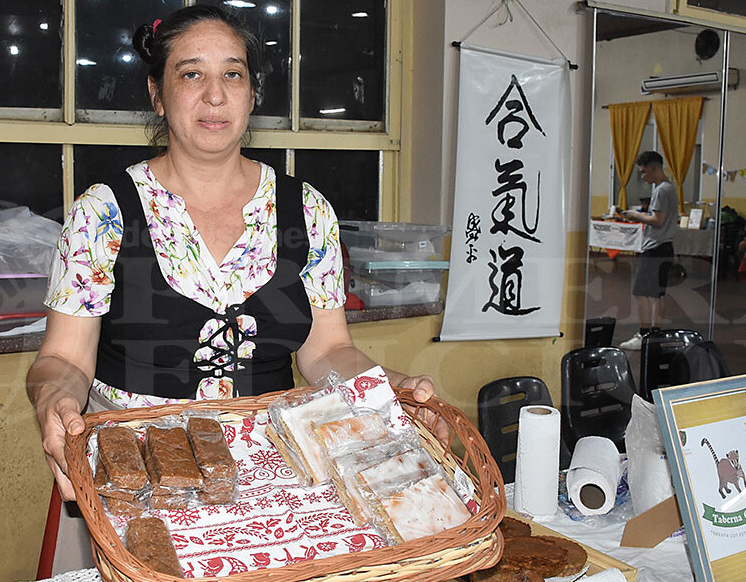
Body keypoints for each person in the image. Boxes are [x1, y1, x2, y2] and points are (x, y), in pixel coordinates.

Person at [25, 5, 438, 573]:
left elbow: (327, 351)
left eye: (233, 74)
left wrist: (390, 390)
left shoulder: (306, 210)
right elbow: (65, 359)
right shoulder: (103, 213)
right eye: (191, 73)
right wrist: (54, 401)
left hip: (272, 478)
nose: (215, 95)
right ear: (157, 94)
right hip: (136, 481)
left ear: (252, 93)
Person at [618, 151, 678, 351]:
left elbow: (658, 221)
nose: (643, 177)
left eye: (644, 172)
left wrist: (636, 215)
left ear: (654, 168)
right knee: (658, 294)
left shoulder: (661, 190)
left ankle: (644, 335)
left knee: (640, 292)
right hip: (665, 247)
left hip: (655, 248)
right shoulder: (670, 188)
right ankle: (655, 334)